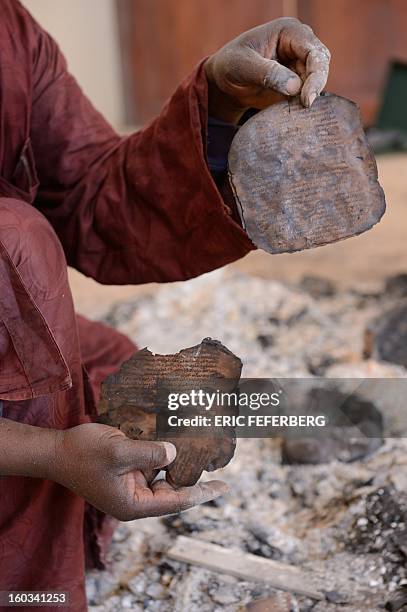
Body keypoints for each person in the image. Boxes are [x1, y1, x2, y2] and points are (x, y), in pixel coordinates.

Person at [0, 1, 330, 609]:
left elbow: (90, 192)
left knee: (129, 385)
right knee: (15, 245)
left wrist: (220, 102)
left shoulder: (9, 31)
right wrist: (45, 453)